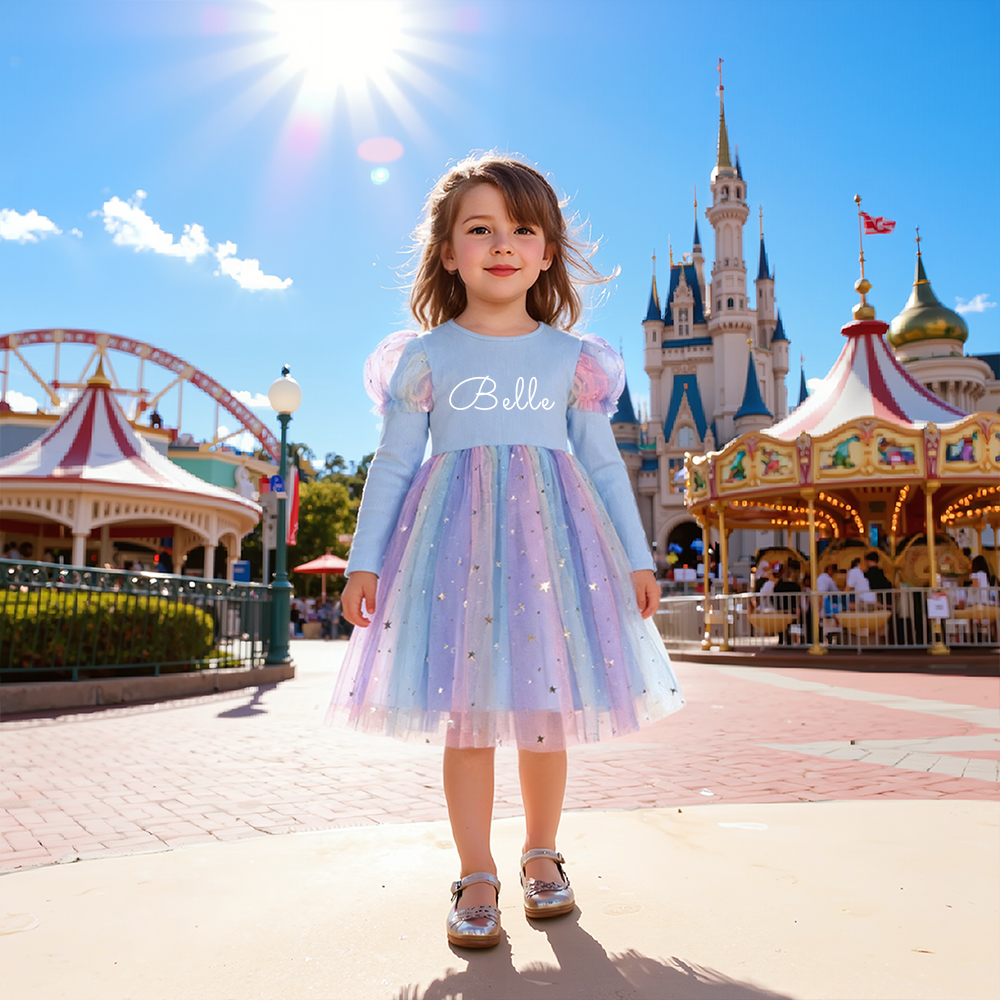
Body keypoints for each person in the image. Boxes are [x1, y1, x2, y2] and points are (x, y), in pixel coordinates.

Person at [328, 154, 683, 950]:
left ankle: (542, 855)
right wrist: (364, 560)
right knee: (469, 719)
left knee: (545, 713)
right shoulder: (425, 356)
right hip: (450, 550)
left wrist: (637, 557)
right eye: (479, 228)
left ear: (548, 251)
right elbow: (392, 463)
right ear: (448, 251)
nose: (502, 243)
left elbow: (600, 461)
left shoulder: (573, 359)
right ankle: (476, 871)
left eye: (522, 228)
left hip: (551, 551)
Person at [773, 558, 803, 644]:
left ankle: (782, 641)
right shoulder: (796, 587)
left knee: (782, 628)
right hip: (791, 609)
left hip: (781, 608)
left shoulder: (779, 584)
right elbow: (798, 598)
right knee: (791, 626)